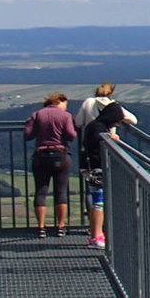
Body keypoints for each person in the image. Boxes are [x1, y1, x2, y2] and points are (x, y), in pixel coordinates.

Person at [24, 93, 78, 237]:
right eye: (65, 104)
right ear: (59, 101)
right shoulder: (65, 116)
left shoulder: (37, 114)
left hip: (41, 156)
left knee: (41, 191)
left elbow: (28, 134)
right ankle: (61, 226)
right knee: (61, 191)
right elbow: (71, 135)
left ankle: (41, 227)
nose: (66, 107)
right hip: (61, 156)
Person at [81, 101, 127, 248]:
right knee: (99, 203)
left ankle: (95, 235)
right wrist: (111, 139)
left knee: (97, 202)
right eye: (117, 121)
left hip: (91, 168)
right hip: (98, 169)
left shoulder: (93, 125)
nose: (117, 125)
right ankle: (98, 236)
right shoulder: (99, 129)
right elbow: (100, 142)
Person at [74, 82, 139, 131]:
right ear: (111, 94)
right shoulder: (114, 106)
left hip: (89, 140)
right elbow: (134, 120)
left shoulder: (88, 101)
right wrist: (119, 117)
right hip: (107, 143)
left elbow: (78, 122)